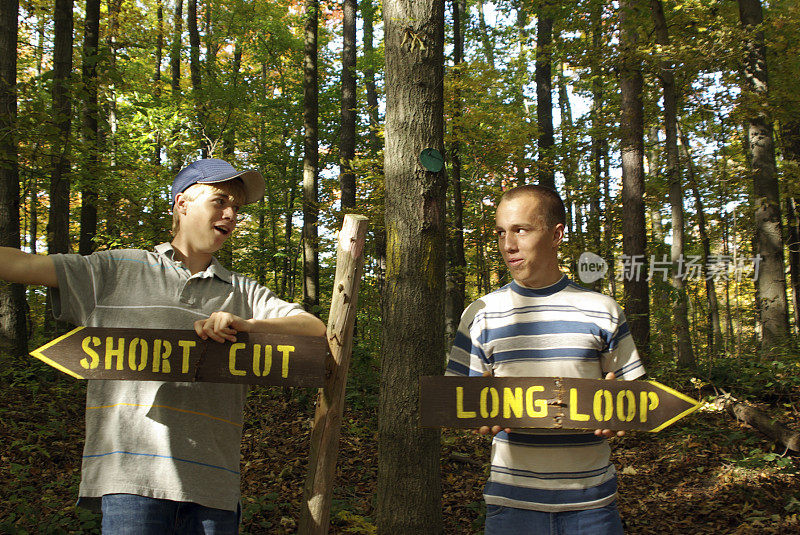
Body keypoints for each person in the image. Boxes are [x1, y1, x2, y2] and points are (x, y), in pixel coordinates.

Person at [0, 158, 326, 534]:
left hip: (214, 489)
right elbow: (22, 264)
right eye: (220, 201)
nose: (231, 213)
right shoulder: (118, 269)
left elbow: (313, 327)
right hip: (130, 482)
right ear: (182, 204)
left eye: (237, 207)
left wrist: (249, 324)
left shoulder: (242, 291)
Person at [445, 184, 645, 534]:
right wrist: (476, 412)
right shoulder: (481, 313)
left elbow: (637, 400)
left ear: (556, 235)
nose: (508, 245)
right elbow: (454, 400)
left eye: (521, 230)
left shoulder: (603, 311)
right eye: (501, 232)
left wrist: (620, 413)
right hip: (511, 506)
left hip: (592, 506)